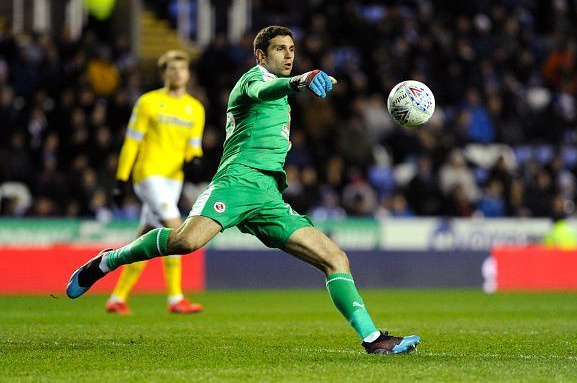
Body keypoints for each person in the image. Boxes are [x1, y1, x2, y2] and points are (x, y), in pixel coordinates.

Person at [67, 26, 420, 354]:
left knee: (336, 258)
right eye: (279, 49)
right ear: (260, 55)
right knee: (185, 242)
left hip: (268, 194)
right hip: (237, 182)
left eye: (292, 50)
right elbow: (264, 89)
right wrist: (301, 79)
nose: (288, 55)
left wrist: (298, 82)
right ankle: (107, 260)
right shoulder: (254, 80)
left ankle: (373, 339)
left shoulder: (282, 92)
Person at [107, 50, 205, 314]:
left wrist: (194, 160)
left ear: (188, 73)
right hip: (148, 175)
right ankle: (176, 298)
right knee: (177, 231)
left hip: (174, 180)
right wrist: (120, 179)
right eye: (171, 69)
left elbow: (193, 148)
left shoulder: (195, 109)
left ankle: (117, 297)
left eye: (181, 69)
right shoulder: (148, 102)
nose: (177, 73)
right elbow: (132, 142)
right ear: (163, 73)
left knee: (145, 237)